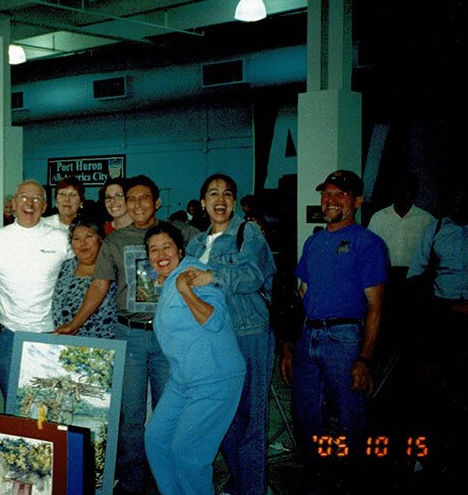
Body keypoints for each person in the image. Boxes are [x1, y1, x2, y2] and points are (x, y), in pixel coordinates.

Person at [56, 175, 174, 494]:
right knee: (130, 417)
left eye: (143, 199)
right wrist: (76, 322)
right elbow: (99, 284)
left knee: (166, 413)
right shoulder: (114, 241)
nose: (136, 205)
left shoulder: (175, 233)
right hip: (130, 336)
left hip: (167, 337)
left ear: (156, 202)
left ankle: (164, 479)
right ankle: (132, 482)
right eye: (130, 199)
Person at [279, 170, 387, 491]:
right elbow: (302, 296)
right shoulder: (314, 242)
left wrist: (365, 358)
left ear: (357, 201)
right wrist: (288, 344)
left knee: (351, 416)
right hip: (307, 338)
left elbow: (377, 306)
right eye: (326, 194)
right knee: (306, 415)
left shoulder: (368, 243)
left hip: (344, 339)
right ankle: (317, 477)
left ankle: (352, 481)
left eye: (340, 194)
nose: (330, 200)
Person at [184, 173, 276, 495]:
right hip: (212, 339)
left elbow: (252, 275)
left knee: (252, 419)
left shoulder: (247, 232)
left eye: (226, 194)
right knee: (223, 416)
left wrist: (212, 275)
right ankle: (243, 480)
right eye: (213, 194)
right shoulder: (195, 243)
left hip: (248, 333)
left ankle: (252, 488)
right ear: (204, 202)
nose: (220, 200)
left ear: (234, 201)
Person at [143, 222, 245, 494]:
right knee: (156, 440)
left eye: (166, 246)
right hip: (183, 380)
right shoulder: (169, 278)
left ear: (179, 248)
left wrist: (186, 290)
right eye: (153, 249)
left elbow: (214, 320)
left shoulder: (191, 273)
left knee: (188, 455)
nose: (160, 254)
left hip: (214, 377)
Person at [0, 179, 72, 401]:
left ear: (44, 207)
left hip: (50, 333)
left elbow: (76, 279)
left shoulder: (60, 239)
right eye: (24, 197)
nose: (30, 203)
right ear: (13, 204)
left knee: (48, 402)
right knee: (12, 401)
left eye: (37, 199)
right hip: (9, 335)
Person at [406, 190, 467, 483]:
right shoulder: (437, 228)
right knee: (437, 388)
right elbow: (416, 272)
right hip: (442, 314)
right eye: (457, 198)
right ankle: (431, 457)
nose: (460, 202)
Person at [367, 173, 434, 352]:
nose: (402, 193)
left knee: (410, 325)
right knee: (386, 321)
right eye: (398, 188)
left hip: (413, 280)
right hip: (386, 277)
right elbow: (370, 251)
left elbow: (430, 254)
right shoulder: (379, 217)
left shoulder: (426, 220)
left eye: (407, 189)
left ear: (414, 192)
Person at [52, 219, 116, 339]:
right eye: (76, 239)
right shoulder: (65, 266)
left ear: (100, 239)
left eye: (89, 237)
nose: (82, 243)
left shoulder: (112, 268)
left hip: (103, 344)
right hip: (65, 341)